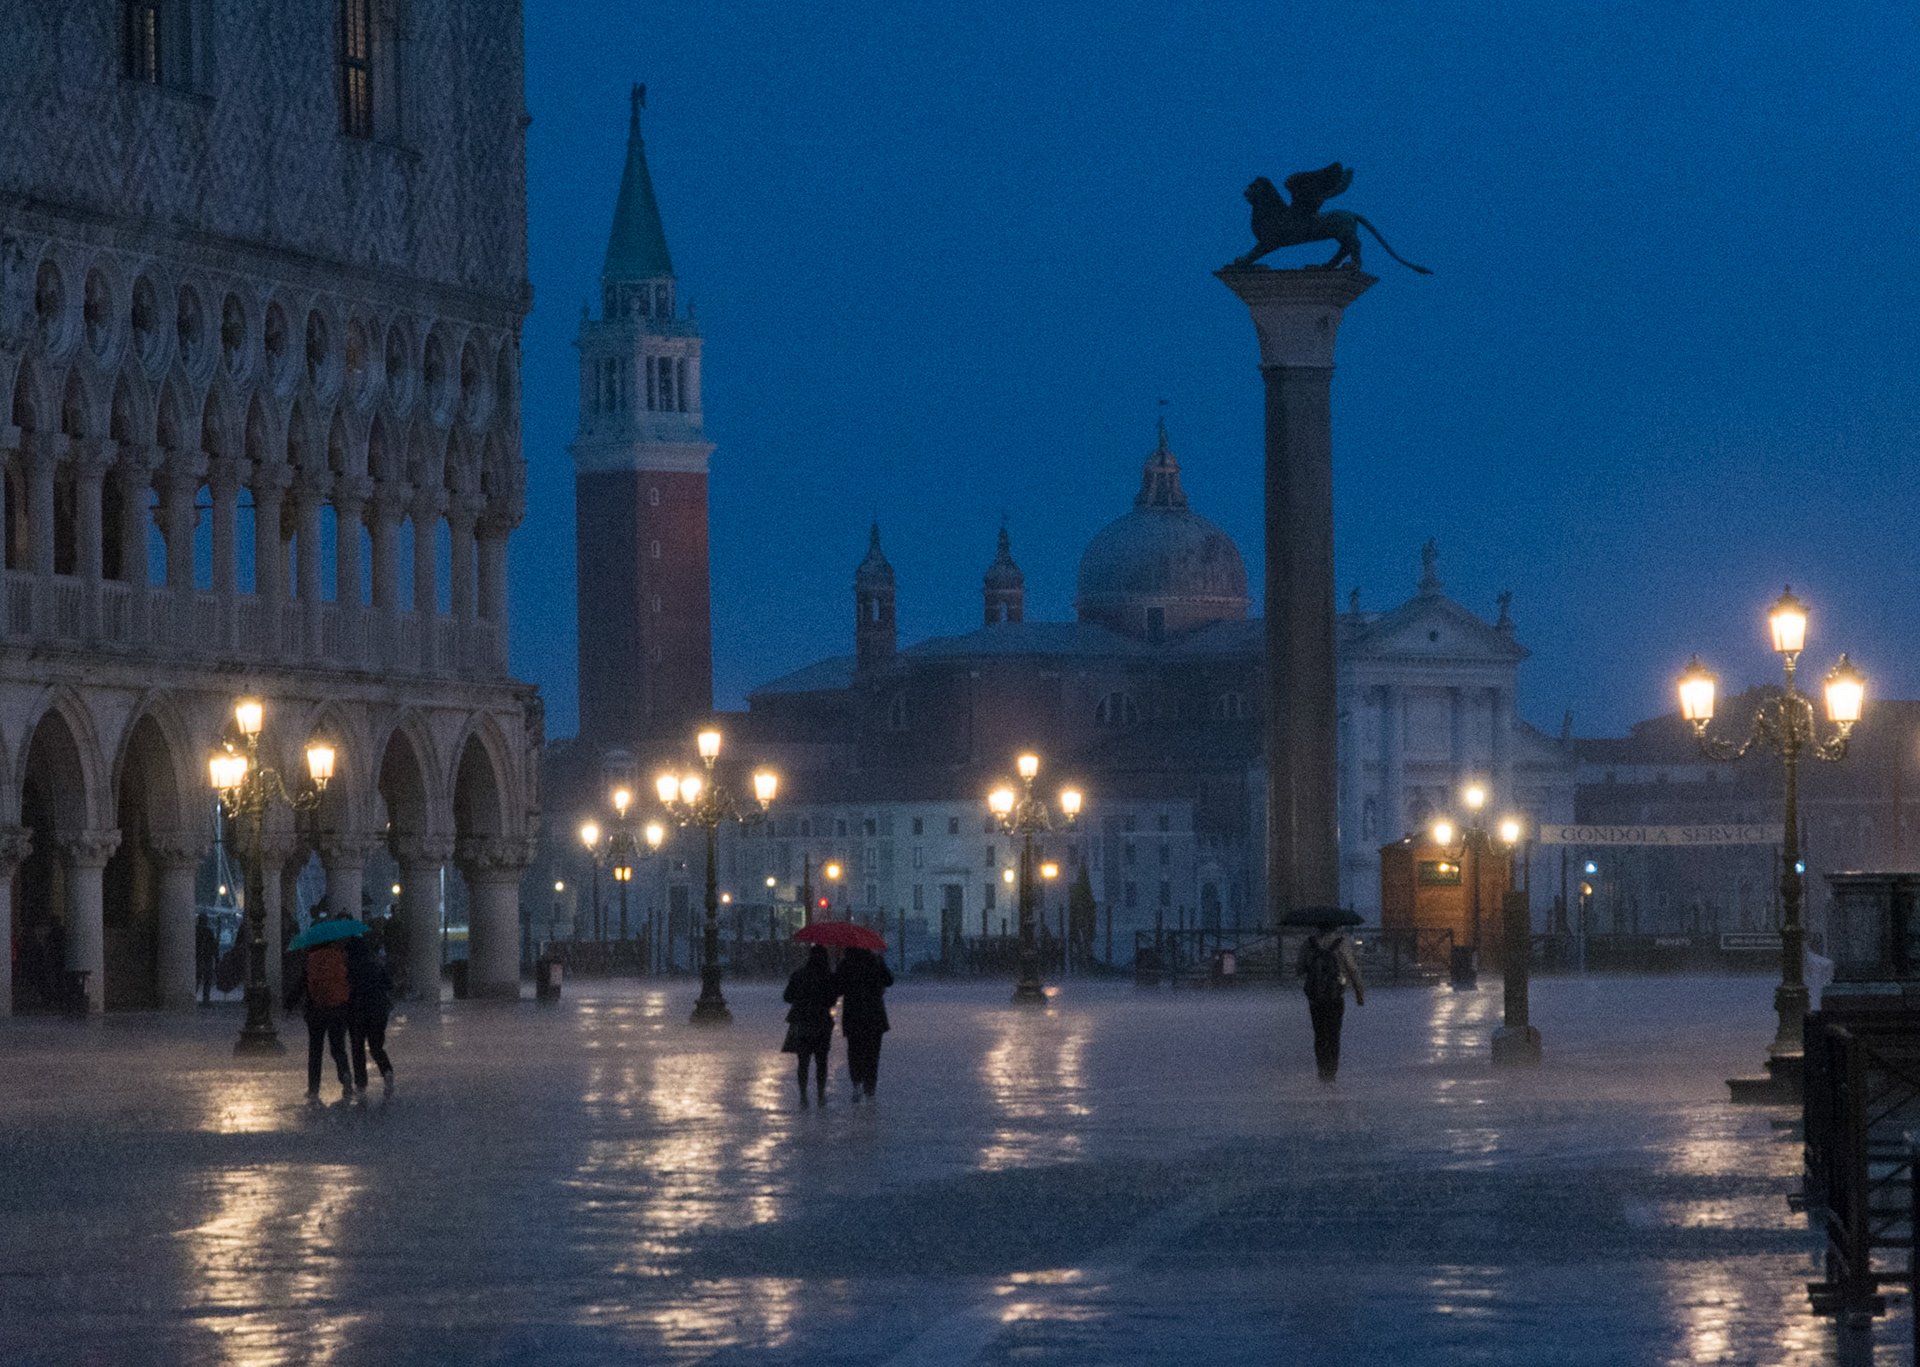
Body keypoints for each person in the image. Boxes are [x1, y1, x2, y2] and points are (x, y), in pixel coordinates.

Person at [289, 937, 354, 1101]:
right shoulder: (339, 956)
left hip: (316, 1010)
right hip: (338, 1008)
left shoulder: (311, 959)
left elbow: (302, 983)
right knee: (338, 1047)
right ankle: (344, 1074)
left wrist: (289, 1004)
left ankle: (313, 1089)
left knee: (315, 1051)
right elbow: (348, 980)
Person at [1299, 924, 1364, 1082]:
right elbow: (1352, 969)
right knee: (1334, 1034)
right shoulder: (1342, 943)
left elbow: (1299, 969)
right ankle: (1332, 1072)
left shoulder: (1308, 943)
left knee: (1319, 1034)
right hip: (1335, 996)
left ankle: (1322, 1071)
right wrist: (1359, 993)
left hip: (1315, 998)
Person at [781, 944, 838, 1105]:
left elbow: (787, 997)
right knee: (821, 1061)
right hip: (821, 1022)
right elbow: (832, 1000)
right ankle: (820, 1094)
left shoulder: (798, 975)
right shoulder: (828, 977)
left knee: (803, 1061)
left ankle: (803, 1095)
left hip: (802, 1022)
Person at [835, 945, 893, 1100]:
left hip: (853, 1015)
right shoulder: (875, 962)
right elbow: (889, 980)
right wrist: (881, 963)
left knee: (854, 1051)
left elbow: (837, 988)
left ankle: (857, 1082)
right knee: (872, 1053)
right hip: (875, 1015)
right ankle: (870, 1085)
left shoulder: (847, 964)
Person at [345, 934, 395, 1095]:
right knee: (376, 1046)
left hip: (357, 1011)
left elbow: (347, 990)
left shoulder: (349, 967)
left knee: (357, 1047)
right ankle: (386, 1071)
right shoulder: (376, 965)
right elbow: (389, 985)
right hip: (378, 1010)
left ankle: (361, 1083)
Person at [194, 912, 218, 1005]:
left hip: (200, 957)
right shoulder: (208, 931)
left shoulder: (196, 931)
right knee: (205, 979)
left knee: (199, 979)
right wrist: (216, 958)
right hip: (205, 958)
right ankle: (205, 998)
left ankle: (200, 996)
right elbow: (214, 946)